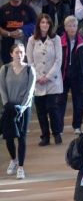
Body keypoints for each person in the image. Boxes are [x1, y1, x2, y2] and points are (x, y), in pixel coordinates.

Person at [26, 15, 63, 147]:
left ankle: (57, 133)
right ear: (38, 24)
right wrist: (37, 76)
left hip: (52, 80)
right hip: (37, 81)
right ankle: (45, 136)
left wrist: (47, 77)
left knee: (53, 108)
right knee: (41, 111)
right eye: (42, 22)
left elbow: (58, 60)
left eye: (47, 23)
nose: (45, 25)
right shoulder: (31, 40)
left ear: (50, 25)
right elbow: (29, 61)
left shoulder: (56, 39)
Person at [1, 41, 36, 180]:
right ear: (11, 54)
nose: (19, 55)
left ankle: (21, 166)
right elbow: (2, 89)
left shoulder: (29, 70)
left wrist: (22, 107)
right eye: (17, 52)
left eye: (22, 52)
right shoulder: (5, 69)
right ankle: (13, 159)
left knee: (22, 136)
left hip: (23, 108)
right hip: (10, 107)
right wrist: (7, 105)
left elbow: (30, 91)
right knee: (9, 137)